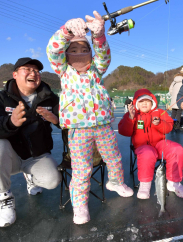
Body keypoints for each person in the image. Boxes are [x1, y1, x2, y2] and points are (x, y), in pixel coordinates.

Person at [46, 12, 133, 225]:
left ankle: (115, 182)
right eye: (73, 50)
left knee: (113, 157)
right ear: (66, 55)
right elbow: (53, 50)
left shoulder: (96, 70)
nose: (79, 53)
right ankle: (80, 205)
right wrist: (65, 32)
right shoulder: (64, 71)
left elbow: (104, 55)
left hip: (103, 124)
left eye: (85, 49)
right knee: (82, 168)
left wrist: (99, 36)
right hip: (78, 129)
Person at [0, 57, 61, 227]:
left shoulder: (50, 98)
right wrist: (11, 123)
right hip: (9, 157)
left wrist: (57, 120)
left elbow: (67, 122)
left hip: (36, 156)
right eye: (28, 69)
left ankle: (30, 177)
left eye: (37, 71)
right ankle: (5, 197)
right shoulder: (1, 98)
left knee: (53, 180)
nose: (34, 73)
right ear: (15, 74)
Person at [118, 89, 183, 199]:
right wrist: (130, 119)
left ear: (153, 102)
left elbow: (169, 127)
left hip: (160, 144)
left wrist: (159, 123)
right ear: (136, 103)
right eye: (141, 101)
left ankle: (174, 183)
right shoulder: (132, 114)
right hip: (142, 146)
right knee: (147, 153)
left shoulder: (160, 112)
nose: (144, 103)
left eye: (147, 101)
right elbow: (124, 131)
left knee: (177, 149)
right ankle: (145, 185)